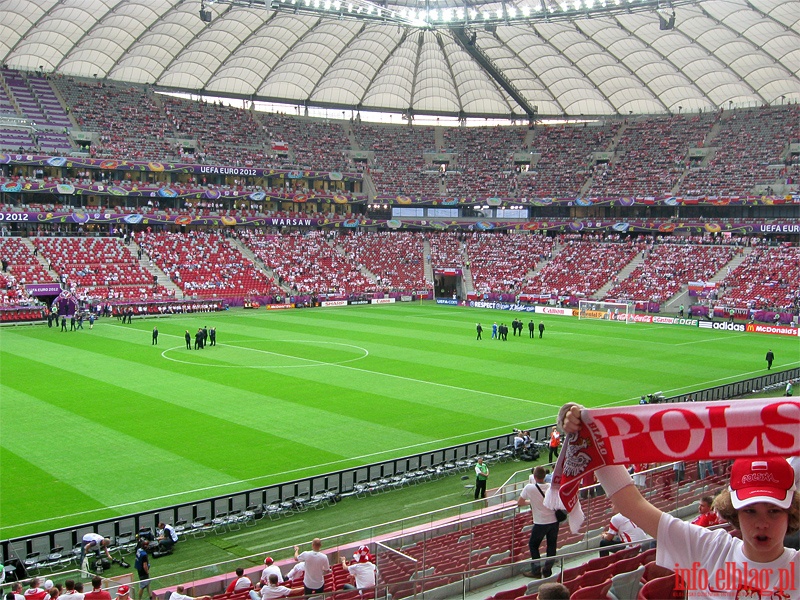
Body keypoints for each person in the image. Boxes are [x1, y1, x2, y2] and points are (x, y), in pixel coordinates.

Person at [561, 405, 800, 599]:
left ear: (790, 513)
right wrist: (589, 432)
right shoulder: (707, 547)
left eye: (774, 511)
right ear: (734, 512)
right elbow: (630, 503)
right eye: (750, 511)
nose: (762, 523)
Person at [517, 466, 559, 579]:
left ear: (534, 477)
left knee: (533, 545)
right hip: (554, 521)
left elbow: (520, 502)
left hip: (541, 522)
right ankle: (547, 570)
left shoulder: (529, 488)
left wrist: (531, 502)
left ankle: (536, 571)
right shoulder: (551, 487)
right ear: (544, 476)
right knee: (551, 546)